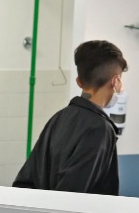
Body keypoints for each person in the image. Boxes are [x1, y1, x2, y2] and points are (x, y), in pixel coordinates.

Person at [13, 40, 127, 195]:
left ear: (79, 82)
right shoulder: (99, 129)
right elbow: (71, 196)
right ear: (115, 81)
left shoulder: (58, 119)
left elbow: (24, 182)